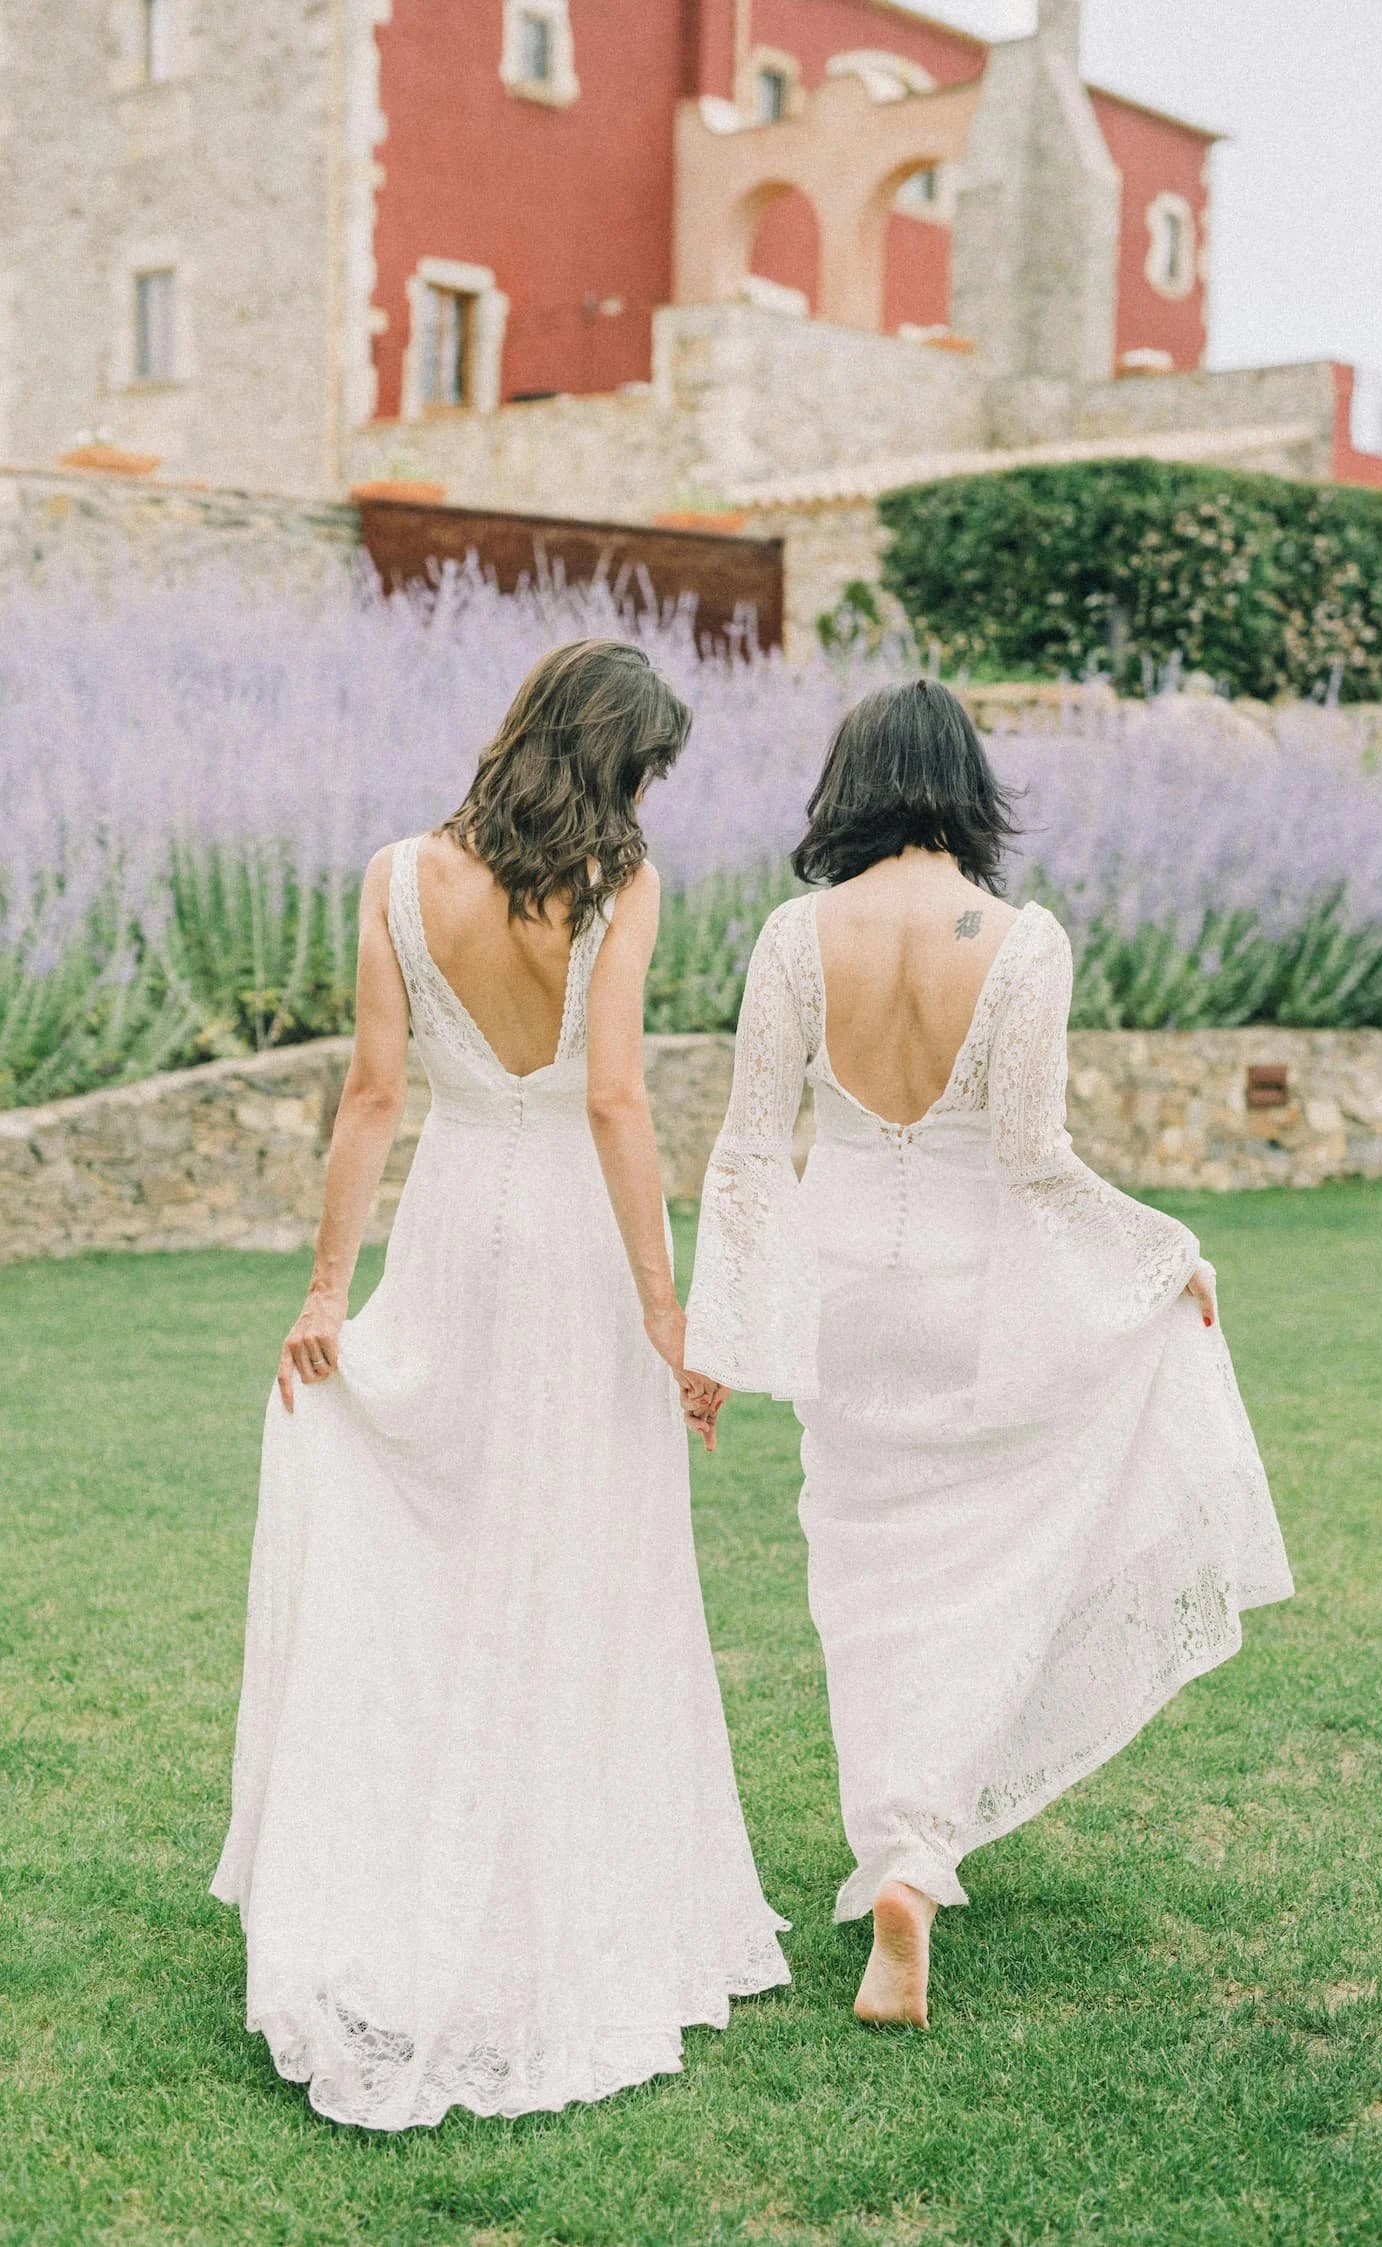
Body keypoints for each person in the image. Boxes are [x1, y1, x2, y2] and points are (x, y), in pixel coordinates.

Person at [212, 639, 788, 2129]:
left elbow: (373, 1095)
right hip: (578, 1252)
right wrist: (666, 1310)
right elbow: (614, 1099)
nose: (648, 798)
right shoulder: (618, 885)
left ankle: (425, 1855)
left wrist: (328, 1290)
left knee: (452, 1545)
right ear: (613, 762)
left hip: (456, 1232)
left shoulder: (398, 877)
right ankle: (555, 1880)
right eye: (646, 770)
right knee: (585, 1560)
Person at [683, 678, 1292, 2029]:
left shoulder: (794, 937)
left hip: (846, 1296)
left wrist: (719, 1332)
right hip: (973, 1298)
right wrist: (1165, 1255)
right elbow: (1035, 1162)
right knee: (978, 1567)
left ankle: (900, 1849)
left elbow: (747, 1148)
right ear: (968, 787)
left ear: (849, 786)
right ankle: (915, 1853)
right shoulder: (1020, 944)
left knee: (865, 1576)